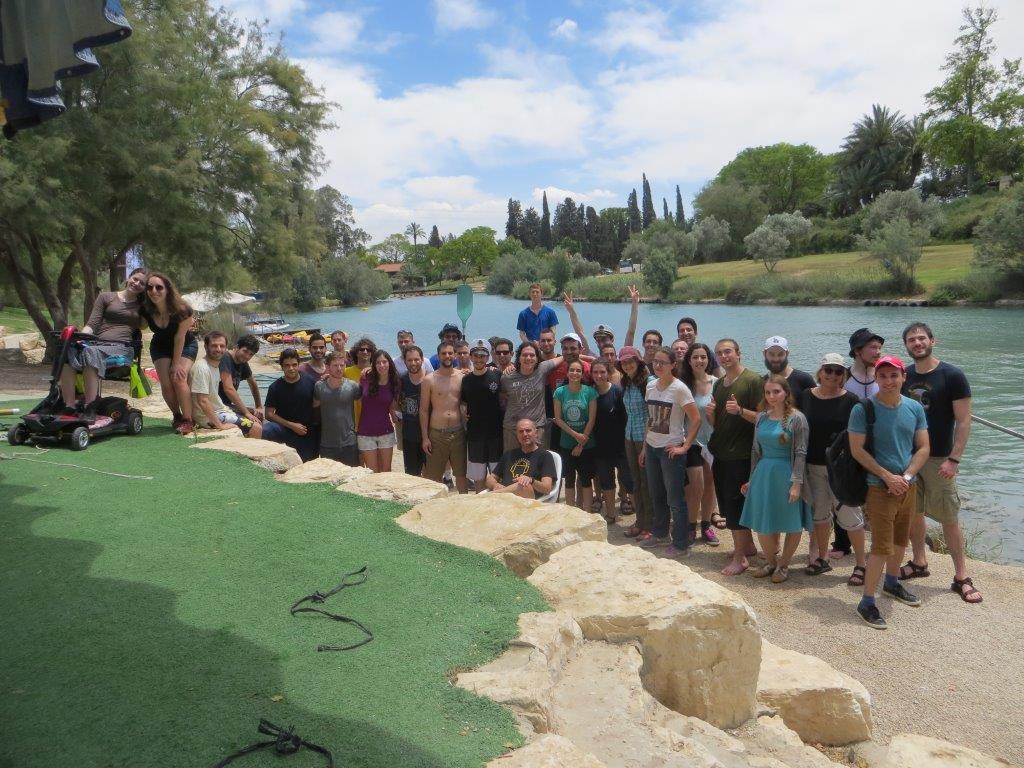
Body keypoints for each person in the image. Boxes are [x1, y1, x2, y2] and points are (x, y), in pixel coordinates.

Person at [900, 322, 981, 603]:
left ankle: (961, 577)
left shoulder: (952, 375)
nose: (917, 343)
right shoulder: (904, 375)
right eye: (912, 340)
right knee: (914, 512)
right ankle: (919, 561)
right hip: (910, 458)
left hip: (939, 459)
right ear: (906, 346)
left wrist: (954, 459)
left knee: (949, 517)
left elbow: (964, 421)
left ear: (932, 341)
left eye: (921, 338)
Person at [848, 354, 930, 630]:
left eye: (894, 375)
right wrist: (887, 476)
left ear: (903, 377)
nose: (888, 381)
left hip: (907, 485)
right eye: (882, 376)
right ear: (876, 378)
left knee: (900, 540)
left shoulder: (914, 408)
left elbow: (923, 447)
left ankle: (892, 583)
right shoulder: (863, 409)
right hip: (878, 487)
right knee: (881, 547)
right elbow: (857, 450)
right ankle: (866, 602)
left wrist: (905, 477)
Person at [739, 375, 812, 583]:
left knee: (792, 522)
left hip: (787, 474)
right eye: (768, 392)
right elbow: (755, 451)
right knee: (762, 521)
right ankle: (771, 562)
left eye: (776, 392)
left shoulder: (797, 418)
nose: (772, 396)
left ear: (786, 393)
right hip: (763, 474)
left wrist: (796, 484)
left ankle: (784, 565)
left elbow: (800, 452)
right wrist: (751, 479)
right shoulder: (761, 418)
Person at [799, 353, 865, 582]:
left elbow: (860, 434)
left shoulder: (852, 400)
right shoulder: (806, 396)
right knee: (819, 514)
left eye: (838, 371)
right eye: (828, 370)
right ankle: (822, 557)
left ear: (843, 375)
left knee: (851, 516)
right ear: (820, 372)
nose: (833, 375)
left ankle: (861, 565)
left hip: (841, 468)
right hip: (813, 465)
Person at [707, 338, 764, 576]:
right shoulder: (719, 384)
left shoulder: (753, 380)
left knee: (735, 505)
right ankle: (747, 546)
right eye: (720, 353)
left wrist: (740, 411)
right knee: (727, 505)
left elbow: (765, 417)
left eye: (728, 351)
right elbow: (718, 423)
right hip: (721, 452)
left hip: (741, 454)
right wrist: (711, 414)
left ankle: (740, 558)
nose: (724, 356)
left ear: (739, 353)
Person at [60, 267, 146, 420]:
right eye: (135, 279)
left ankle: (90, 406)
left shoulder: (143, 306)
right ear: (129, 277)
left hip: (122, 348)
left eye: (142, 283)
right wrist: (80, 338)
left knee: (90, 352)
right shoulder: (106, 297)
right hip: (97, 345)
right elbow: (92, 324)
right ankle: (69, 406)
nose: (137, 283)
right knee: (68, 350)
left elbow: (145, 326)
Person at [639, 346, 700, 558]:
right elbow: (651, 418)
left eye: (663, 362)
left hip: (670, 450)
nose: (658, 365)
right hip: (652, 447)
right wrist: (644, 447)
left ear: (673, 365)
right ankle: (660, 533)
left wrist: (685, 446)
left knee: (675, 499)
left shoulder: (679, 388)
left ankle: (681, 545)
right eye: (655, 361)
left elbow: (696, 419)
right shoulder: (650, 386)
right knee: (657, 495)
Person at [141, 271, 197, 435]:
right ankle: (177, 415)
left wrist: (176, 363)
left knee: (178, 377)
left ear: (167, 289)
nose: (154, 291)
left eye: (159, 287)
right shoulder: (146, 309)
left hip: (185, 344)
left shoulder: (183, 310)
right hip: (160, 346)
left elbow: (180, 338)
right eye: (150, 287)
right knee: (166, 383)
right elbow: (139, 324)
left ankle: (188, 420)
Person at [678, 342, 721, 546]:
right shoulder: (682, 385)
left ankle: (706, 525)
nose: (699, 360)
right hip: (691, 441)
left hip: (712, 441)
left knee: (710, 484)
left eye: (703, 357)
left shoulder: (717, 383)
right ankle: (690, 526)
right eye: (695, 357)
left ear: (708, 360)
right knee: (695, 486)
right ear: (689, 360)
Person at [420, 341, 468, 493]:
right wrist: (425, 438)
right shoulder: (429, 379)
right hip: (437, 434)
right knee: (434, 476)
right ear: (438, 356)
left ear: (455, 355)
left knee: (461, 474)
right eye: (443, 353)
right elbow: (423, 410)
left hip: (458, 433)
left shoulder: (462, 377)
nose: (447, 356)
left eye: (450, 353)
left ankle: (464, 502)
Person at [190, 332, 259, 436]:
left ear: (226, 348)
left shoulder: (215, 366)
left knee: (256, 419)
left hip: (219, 409)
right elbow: (202, 401)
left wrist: (258, 406)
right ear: (206, 347)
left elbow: (252, 381)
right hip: (206, 416)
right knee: (256, 427)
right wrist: (220, 425)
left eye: (222, 346)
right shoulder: (202, 368)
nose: (218, 349)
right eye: (214, 346)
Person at [590, 359, 632, 524]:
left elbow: (627, 419)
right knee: (606, 482)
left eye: (602, 372)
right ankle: (610, 514)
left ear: (608, 373)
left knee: (629, 481)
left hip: (621, 445)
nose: (599, 375)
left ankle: (640, 519)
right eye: (595, 372)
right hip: (600, 447)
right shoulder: (590, 393)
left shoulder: (618, 392)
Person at [552, 360, 598, 509]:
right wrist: (576, 435)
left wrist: (581, 442)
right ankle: (570, 512)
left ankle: (588, 512)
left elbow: (592, 419)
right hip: (566, 443)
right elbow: (558, 419)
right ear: (567, 372)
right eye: (572, 370)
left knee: (586, 480)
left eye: (578, 370)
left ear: (582, 373)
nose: (575, 373)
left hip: (587, 444)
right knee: (569, 480)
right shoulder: (560, 392)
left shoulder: (590, 392)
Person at [500, 341, 562, 451]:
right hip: (513, 428)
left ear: (537, 358)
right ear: (519, 358)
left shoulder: (542, 369)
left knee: (538, 461)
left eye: (532, 355)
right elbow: (502, 394)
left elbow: (565, 357)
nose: (528, 358)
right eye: (524, 355)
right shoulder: (507, 377)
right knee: (512, 461)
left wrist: (589, 358)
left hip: (537, 428)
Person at [461, 339, 503, 492]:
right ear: (471, 357)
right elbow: (463, 403)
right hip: (475, 436)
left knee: (497, 477)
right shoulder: (465, 379)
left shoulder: (497, 375)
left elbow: (505, 395)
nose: (479, 359)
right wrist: (463, 415)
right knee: (478, 478)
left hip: (496, 435)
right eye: (476, 356)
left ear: (487, 357)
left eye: (482, 356)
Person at [619, 346, 652, 539]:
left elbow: (652, 416)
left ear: (638, 362)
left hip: (644, 439)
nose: (627, 365)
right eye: (624, 362)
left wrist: (646, 447)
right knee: (636, 482)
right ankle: (640, 521)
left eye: (630, 361)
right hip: (629, 436)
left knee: (647, 483)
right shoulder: (627, 383)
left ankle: (650, 525)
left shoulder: (649, 382)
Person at [263, 348, 318, 462]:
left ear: (299, 364)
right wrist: (292, 425)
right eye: (287, 365)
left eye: (294, 365)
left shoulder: (311, 382)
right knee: (267, 430)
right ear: (282, 367)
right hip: (285, 429)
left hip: (306, 431)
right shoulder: (275, 387)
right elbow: (269, 414)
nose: (291, 368)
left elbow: (318, 404)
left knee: (308, 463)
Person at [486, 419, 557, 499]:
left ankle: (493, 495)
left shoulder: (545, 456)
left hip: (526, 500)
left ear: (536, 433)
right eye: (521, 431)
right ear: (517, 435)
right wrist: (495, 485)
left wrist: (531, 480)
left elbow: (547, 488)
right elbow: (490, 479)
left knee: (523, 485)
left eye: (528, 430)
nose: (525, 434)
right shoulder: (508, 455)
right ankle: (498, 494)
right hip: (503, 499)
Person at [562, 284, 639, 355]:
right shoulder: (593, 360)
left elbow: (631, 332)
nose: (601, 344)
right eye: (598, 341)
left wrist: (635, 304)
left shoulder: (620, 359)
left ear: (612, 340)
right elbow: (580, 334)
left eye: (604, 340)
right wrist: (572, 312)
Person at [314, 351, 361, 466]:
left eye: (342, 365)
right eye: (335, 365)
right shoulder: (319, 387)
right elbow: (314, 407)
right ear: (328, 367)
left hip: (350, 443)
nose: (339, 368)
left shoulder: (353, 386)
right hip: (327, 444)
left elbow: (366, 404)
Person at [358, 349, 400, 472]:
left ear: (389, 363)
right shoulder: (365, 377)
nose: (382, 365)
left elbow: (393, 406)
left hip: (385, 431)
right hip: (365, 432)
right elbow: (356, 395)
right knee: (372, 472)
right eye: (378, 362)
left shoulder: (395, 382)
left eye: (384, 362)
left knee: (386, 471)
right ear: (374, 365)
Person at [219, 334, 263, 425]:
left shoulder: (242, 361)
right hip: (217, 406)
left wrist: (259, 406)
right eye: (245, 351)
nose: (247, 356)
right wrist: (246, 413)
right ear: (237, 347)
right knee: (253, 423)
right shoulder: (225, 358)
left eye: (251, 354)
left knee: (258, 415)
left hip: (226, 405)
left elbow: (252, 383)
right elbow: (228, 389)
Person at [398, 345, 427, 476]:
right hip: (409, 434)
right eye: (409, 360)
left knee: (432, 475)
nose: (413, 363)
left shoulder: (431, 380)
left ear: (422, 360)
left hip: (430, 434)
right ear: (405, 361)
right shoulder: (401, 381)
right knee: (412, 475)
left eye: (416, 359)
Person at [762, 336, 816, 404]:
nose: (776, 359)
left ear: (787, 354)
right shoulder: (762, 382)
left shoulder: (804, 380)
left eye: (780, 354)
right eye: (771, 354)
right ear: (764, 354)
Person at [345, 337, 376, 428]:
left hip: (373, 420)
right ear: (356, 352)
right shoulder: (346, 372)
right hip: (352, 421)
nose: (365, 352)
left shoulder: (377, 372)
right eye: (362, 349)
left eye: (368, 350)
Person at [845, 327, 884, 399]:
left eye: (879, 348)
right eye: (873, 347)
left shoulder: (885, 376)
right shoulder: (842, 377)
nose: (879, 352)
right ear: (857, 351)